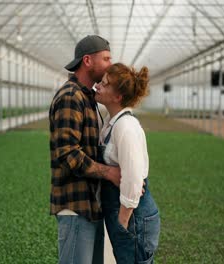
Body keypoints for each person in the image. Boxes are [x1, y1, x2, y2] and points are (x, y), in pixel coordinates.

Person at [49, 35, 121, 264]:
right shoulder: (71, 96)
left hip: (91, 205)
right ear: (88, 60)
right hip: (76, 207)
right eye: (106, 58)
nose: (111, 64)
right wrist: (109, 172)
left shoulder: (87, 97)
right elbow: (67, 153)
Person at [95, 63, 161, 263]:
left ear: (118, 97)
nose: (98, 86)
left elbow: (133, 179)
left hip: (133, 217)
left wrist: (122, 223)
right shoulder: (111, 121)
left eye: (105, 84)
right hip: (125, 214)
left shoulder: (125, 126)